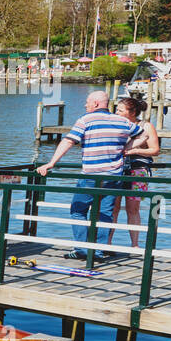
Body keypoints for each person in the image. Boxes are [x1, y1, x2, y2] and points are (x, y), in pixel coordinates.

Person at [36, 90, 143, 260]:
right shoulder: (122, 121)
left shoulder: (86, 120)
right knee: (104, 213)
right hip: (113, 176)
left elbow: (69, 141)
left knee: (78, 210)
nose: (85, 105)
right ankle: (98, 251)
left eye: (87, 102)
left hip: (91, 175)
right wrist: (127, 148)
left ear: (95, 103)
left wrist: (51, 163)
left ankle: (82, 249)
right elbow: (142, 134)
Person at [106, 95, 160, 248]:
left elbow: (155, 150)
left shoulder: (146, 126)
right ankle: (107, 243)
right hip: (117, 170)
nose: (116, 113)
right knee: (113, 207)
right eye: (117, 110)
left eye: (120, 110)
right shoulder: (116, 125)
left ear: (132, 112)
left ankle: (134, 245)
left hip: (137, 171)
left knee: (133, 208)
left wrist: (135, 150)